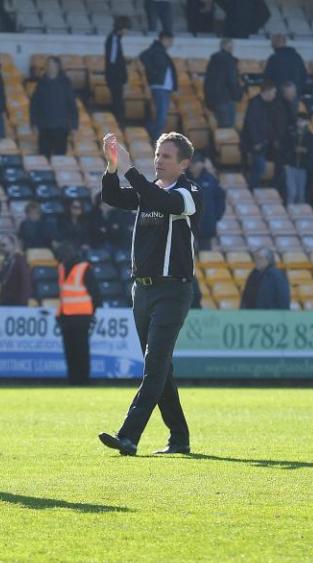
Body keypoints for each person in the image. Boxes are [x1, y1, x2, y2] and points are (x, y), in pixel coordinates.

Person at [98, 130, 200, 456]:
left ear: (184, 164)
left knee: (154, 366)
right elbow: (112, 197)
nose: (159, 160)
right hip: (142, 292)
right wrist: (113, 166)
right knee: (161, 369)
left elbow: (161, 201)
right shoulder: (149, 190)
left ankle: (129, 435)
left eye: (167, 156)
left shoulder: (188, 192)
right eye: (157, 154)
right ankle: (179, 438)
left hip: (173, 291)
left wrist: (130, 170)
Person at [56, 242, 99, 386]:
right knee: (70, 350)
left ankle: (83, 380)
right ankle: (73, 380)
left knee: (80, 350)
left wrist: (91, 313)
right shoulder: (62, 267)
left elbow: (95, 294)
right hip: (66, 316)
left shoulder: (84, 268)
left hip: (82, 316)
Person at [30, 57, 78, 158]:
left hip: (61, 128)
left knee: (60, 158)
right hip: (44, 127)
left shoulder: (66, 83)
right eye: (47, 65)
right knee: (43, 158)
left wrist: (74, 126)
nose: (48, 67)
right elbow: (34, 105)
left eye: (50, 64)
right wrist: (33, 123)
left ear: (57, 66)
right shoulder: (41, 83)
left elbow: (72, 106)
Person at [241, 81, 279, 190]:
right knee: (259, 166)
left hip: (264, 142)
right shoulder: (255, 104)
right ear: (267, 92)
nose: (274, 95)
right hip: (254, 144)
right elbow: (251, 124)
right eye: (273, 92)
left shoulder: (269, 105)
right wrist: (256, 142)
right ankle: (251, 188)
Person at [140, 31, 177, 140]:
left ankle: (153, 135)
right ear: (164, 39)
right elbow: (143, 57)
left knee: (162, 115)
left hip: (164, 87)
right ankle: (153, 136)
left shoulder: (161, 51)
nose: (171, 44)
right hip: (160, 87)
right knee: (161, 116)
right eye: (170, 41)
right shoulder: (156, 49)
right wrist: (154, 73)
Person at [203, 38, 242, 128]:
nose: (232, 48)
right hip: (226, 98)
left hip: (214, 99)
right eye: (231, 46)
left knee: (222, 126)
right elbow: (232, 80)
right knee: (228, 127)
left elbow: (208, 82)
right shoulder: (230, 61)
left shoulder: (213, 61)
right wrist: (238, 95)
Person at [190, 152, 225, 251]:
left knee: (206, 255)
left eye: (193, 164)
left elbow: (220, 198)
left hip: (206, 227)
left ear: (200, 164)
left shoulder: (211, 179)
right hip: (187, 228)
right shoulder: (184, 180)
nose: (191, 167)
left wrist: (215, 216)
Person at [105, 17, 130, 125]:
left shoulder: (114, 39)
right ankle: (118, 124)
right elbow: (113, 60)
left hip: (114, 77)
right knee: (117, 102)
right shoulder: (114, 39)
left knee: (117, 102)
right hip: (115, 78)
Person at [281, 116, 310, 206]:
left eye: (303, 121)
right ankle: (290, 211)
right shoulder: (290, 134)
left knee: (301, 194)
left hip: (303, 167)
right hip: (291, 165)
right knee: (292, 192)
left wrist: (305, 150)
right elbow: (284, 149)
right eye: (299, 120)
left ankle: (300, 215)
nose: (301, 123)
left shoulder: (310, 136)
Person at [0, 233, 31, 306]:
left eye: (3, 245)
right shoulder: (5, 262)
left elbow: (25, 283)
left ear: (13, 245)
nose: (1, 248)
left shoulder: (20, 261)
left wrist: (23, 304)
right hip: (5, 302)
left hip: (17, 303)